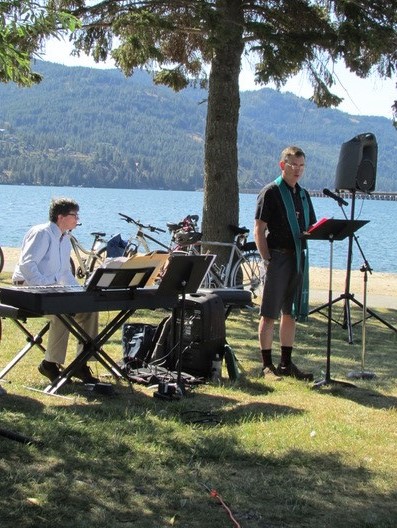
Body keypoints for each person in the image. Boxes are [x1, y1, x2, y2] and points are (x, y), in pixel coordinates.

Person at [12, 197, 99, 384]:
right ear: (60, 217)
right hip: (27, 288)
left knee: (89, 310)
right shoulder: (42, 233)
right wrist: (46, 288)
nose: (77, 219)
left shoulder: (65, 238)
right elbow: (27, 266)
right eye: (74, 215)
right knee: (62, 310)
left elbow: (64, 274)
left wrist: (81, 292)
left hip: (50, 289)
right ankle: (50, 364)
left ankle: (81, 363)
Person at [254, 146, 317, 381]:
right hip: (277, 257)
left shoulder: (303, 194)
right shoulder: (270, 192)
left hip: (298, 258)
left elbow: (309, 227)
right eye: (293, 165)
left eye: (302, 166)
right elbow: (259, 230)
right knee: (269, 313)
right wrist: (267, 260)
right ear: (283, 165)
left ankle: (286, 363)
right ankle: (267, 366)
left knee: (290, 313)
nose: (298, 170)